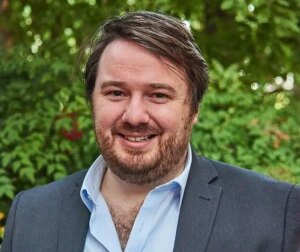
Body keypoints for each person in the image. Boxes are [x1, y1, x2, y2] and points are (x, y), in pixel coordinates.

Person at [1, 11, 300, 252]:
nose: (134, 116)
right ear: (92, 103)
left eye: (158, 95)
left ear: (194, 110)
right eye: (116, 92)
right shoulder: (30, 214)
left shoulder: (276, 213)